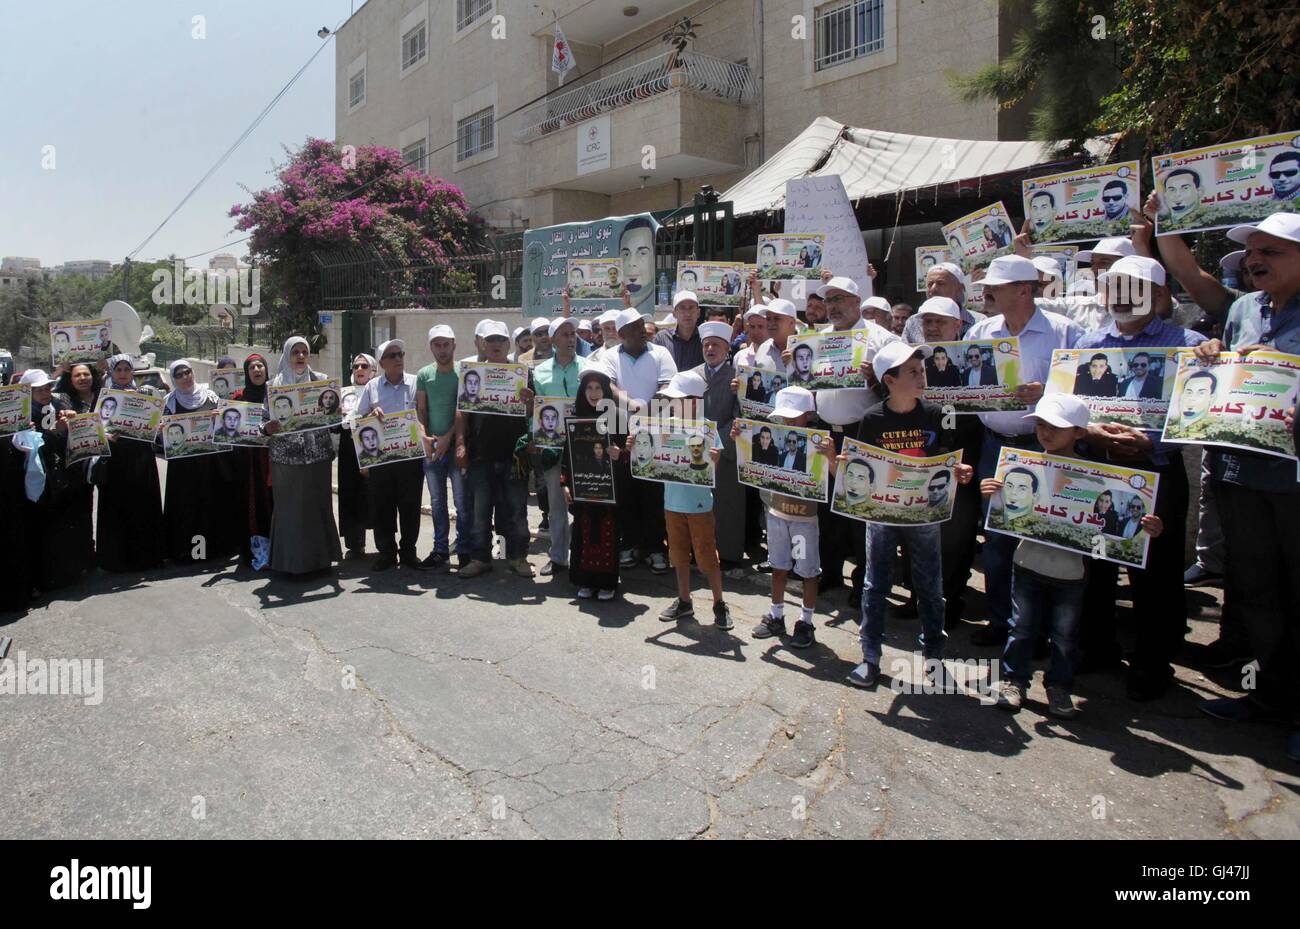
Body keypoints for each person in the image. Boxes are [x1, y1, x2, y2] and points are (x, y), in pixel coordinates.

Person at [1190, 212, 1300, 761]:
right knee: (1257, 594)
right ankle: (1272, 699)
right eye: (1253, 252)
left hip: (1295, 483)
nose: (1256, 261)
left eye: (1272, 252)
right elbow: (1223, 376)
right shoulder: (1241, 310)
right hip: (1240, 475)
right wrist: (1212, 356)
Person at [984, 394, 1163, 718]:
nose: (1046, 433)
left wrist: (1148, 526)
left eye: (1056, 427)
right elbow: (1004, 512)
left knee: (1065, 636)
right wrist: (993, 491)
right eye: (1040, 425)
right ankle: (1014, 681)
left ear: (1080, 432)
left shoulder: (1100, 479)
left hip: (1071, 573)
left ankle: (1059, 687)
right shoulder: (1021, 467)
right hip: (1027, 563)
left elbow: (1124, 527)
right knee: (1021, 628)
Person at [965, 255, 1081, 647]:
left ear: (1024, 290)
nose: (987, 293)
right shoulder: (980, 331)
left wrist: (1048, 391)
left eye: (995, 287)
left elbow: (1089, 392)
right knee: (997, 536)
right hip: (994, 446)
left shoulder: (1064, 332)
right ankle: (1002, 622)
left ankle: (1045, 632)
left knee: (1043, 537)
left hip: (1045, 448)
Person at [846, 342, 974, 689]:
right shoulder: (872, 419)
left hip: (923, 516)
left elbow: (944, 458)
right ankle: (870, 657)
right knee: (875, 585)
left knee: (930, 586)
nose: (922, 377)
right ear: (889, 380)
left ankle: (934, 657)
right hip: (883, 514)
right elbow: (864, 468)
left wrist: (958, 470)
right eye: (913, 372)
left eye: (922, 370)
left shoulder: (934, 414)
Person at [745, 387, 835, 649]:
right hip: (775, 513)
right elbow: (752, 463)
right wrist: (740, 438)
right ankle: (776, 615)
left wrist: (830, 456)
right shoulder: (775, 444)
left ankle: (806, 621)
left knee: (807, 571)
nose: (788, 423)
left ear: (809, 415)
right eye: (784, 418)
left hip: (804, 518)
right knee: (778, 566)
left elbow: (836, 477)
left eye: (794, 418)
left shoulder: (819, 444)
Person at [598, 307, 677, 573]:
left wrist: (646, 412)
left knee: (653, 492)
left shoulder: (660, 353)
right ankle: (629, 545)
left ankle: (656, 548)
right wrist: (630, 403)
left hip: (655, 428)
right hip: (620, 428)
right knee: (626, 490)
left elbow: (668, 387)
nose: (643, 330)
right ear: (621, 334)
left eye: (642, 325)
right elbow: (608, 386)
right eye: (635, 327)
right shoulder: (609, 356)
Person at [456, 320, 535, 579]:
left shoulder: (522, 373)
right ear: (482, 343)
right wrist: (460, 444)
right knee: (480, 512)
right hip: (480, 454)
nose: (496, 345)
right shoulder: (472, 373)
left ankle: (517, 556)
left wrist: (530, 401)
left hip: (515, 455)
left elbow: (533, 412)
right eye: (490, 340)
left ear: (508, 344)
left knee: (516, 511)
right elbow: (463, 413)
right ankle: (480, 558)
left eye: (500, 340)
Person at [653, 371, 731, 629]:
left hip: (698, 505)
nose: (673, 403)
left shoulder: (707, 429)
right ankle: (684, 600)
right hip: (671, 502)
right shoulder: (665, 424)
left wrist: (716, 460)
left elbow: (711, 471)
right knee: (678, 555)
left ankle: (719, 603)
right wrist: (636, 445)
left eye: (678, 399)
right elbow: (652, 456)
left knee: (707, 555)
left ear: (695, 400)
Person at [261, 337, 341, 576]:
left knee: (318, 507)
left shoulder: (320, 381)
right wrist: (267, 429)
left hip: (318, 456)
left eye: (304, 351)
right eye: (295, 352)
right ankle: (291, 564)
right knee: (290, 510)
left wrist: (337, 415)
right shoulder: (273, 386)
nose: (300, 356)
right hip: (286, 459)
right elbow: (262, 422)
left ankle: (320, 561)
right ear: (287, 354)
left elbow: (333, 421)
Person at [354, 338, 424, 572]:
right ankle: (386, 552)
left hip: (409, 458)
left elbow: (424, 415)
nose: (398, 359)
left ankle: (408, 552)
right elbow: (356, 420)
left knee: (410, 507)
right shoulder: (372, 387)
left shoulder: (415, 383)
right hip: (381, 460)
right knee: (382, 506)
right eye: (392, 356)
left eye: (400, 354)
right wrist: (371, 414)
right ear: (382, 362)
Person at [160, 359, 239, 565]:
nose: (185, 377)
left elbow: (226, 430)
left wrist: (217, 419)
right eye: (179, 375)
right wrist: (161, 431)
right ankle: (193, 553)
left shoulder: (211, 397)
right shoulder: (169, 403)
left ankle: (214, 550)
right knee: (188, 510)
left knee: (211, 506)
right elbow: (161, 439)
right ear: (173, 379)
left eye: (187, 372)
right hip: (183, 470)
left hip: (210, 465)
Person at [92, 354, 165, 574]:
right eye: (119, 370)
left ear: (132, 372)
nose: (123, 374)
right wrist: (106, 435)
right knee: (117, 507)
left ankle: (146, 557)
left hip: (141, 458)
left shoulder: (145, 395)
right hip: (116, 459)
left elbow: (155, 423)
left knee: (142, 505)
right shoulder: (104, 397)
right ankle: (117, 560)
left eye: (126, 370)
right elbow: (97, 426)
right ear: (112, 373)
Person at [564, 370, 622, 601]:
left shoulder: (617, 417)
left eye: (598, 388)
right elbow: (566, 455)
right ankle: (585, 581)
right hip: (583, 490)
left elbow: (630, 452)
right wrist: (564, 484)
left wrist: (620, 454)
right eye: (589, 388)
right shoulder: (577, 416)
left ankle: (607, 583)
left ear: (606, 392)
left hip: (609, 490)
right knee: (583, 532)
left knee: (607, 533)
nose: (594, 393)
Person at [532, 316, 582, 576]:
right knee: (555, 504)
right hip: (553, 447)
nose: (571, 338)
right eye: (564, 334)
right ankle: (559, 556)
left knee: (585, 501)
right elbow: (536, 411)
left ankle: (585, 555)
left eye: (572, 333)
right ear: (552, 340)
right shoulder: (539, 372)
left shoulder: (588, 367)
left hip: (583, 445)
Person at [230, 353, 274, 568]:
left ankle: (280, 550)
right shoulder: (238, 397)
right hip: (250, 461)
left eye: (260, 366)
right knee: (254, 503)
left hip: (274, 457)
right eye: (252, 368)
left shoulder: (275, 394)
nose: (257, 370)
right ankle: (257, 551)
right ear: (247, 373)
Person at [337, 353, 375, 560]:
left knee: (374, 494)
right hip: (348, 447)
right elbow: (334, 427)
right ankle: (354, 544)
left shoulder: (378, 389)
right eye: (356, 366)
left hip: (372, 445)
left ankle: (384, 543)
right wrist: (335, 413)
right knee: (350, 493)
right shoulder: (344, 392)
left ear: (373, 370)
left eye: (364, 366)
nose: (359, 369)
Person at [902, 263, 985, 343]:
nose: (933, 289)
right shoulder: (913, 322)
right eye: (930, 284)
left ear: (960, 288)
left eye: (941, 283)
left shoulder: (980, 322)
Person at [653, 289, 705, 371]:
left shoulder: (706, 338)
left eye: (691, 308)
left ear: (698, 313)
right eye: (682, 308)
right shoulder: (662, 339)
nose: (687, 314)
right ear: (674, 313)